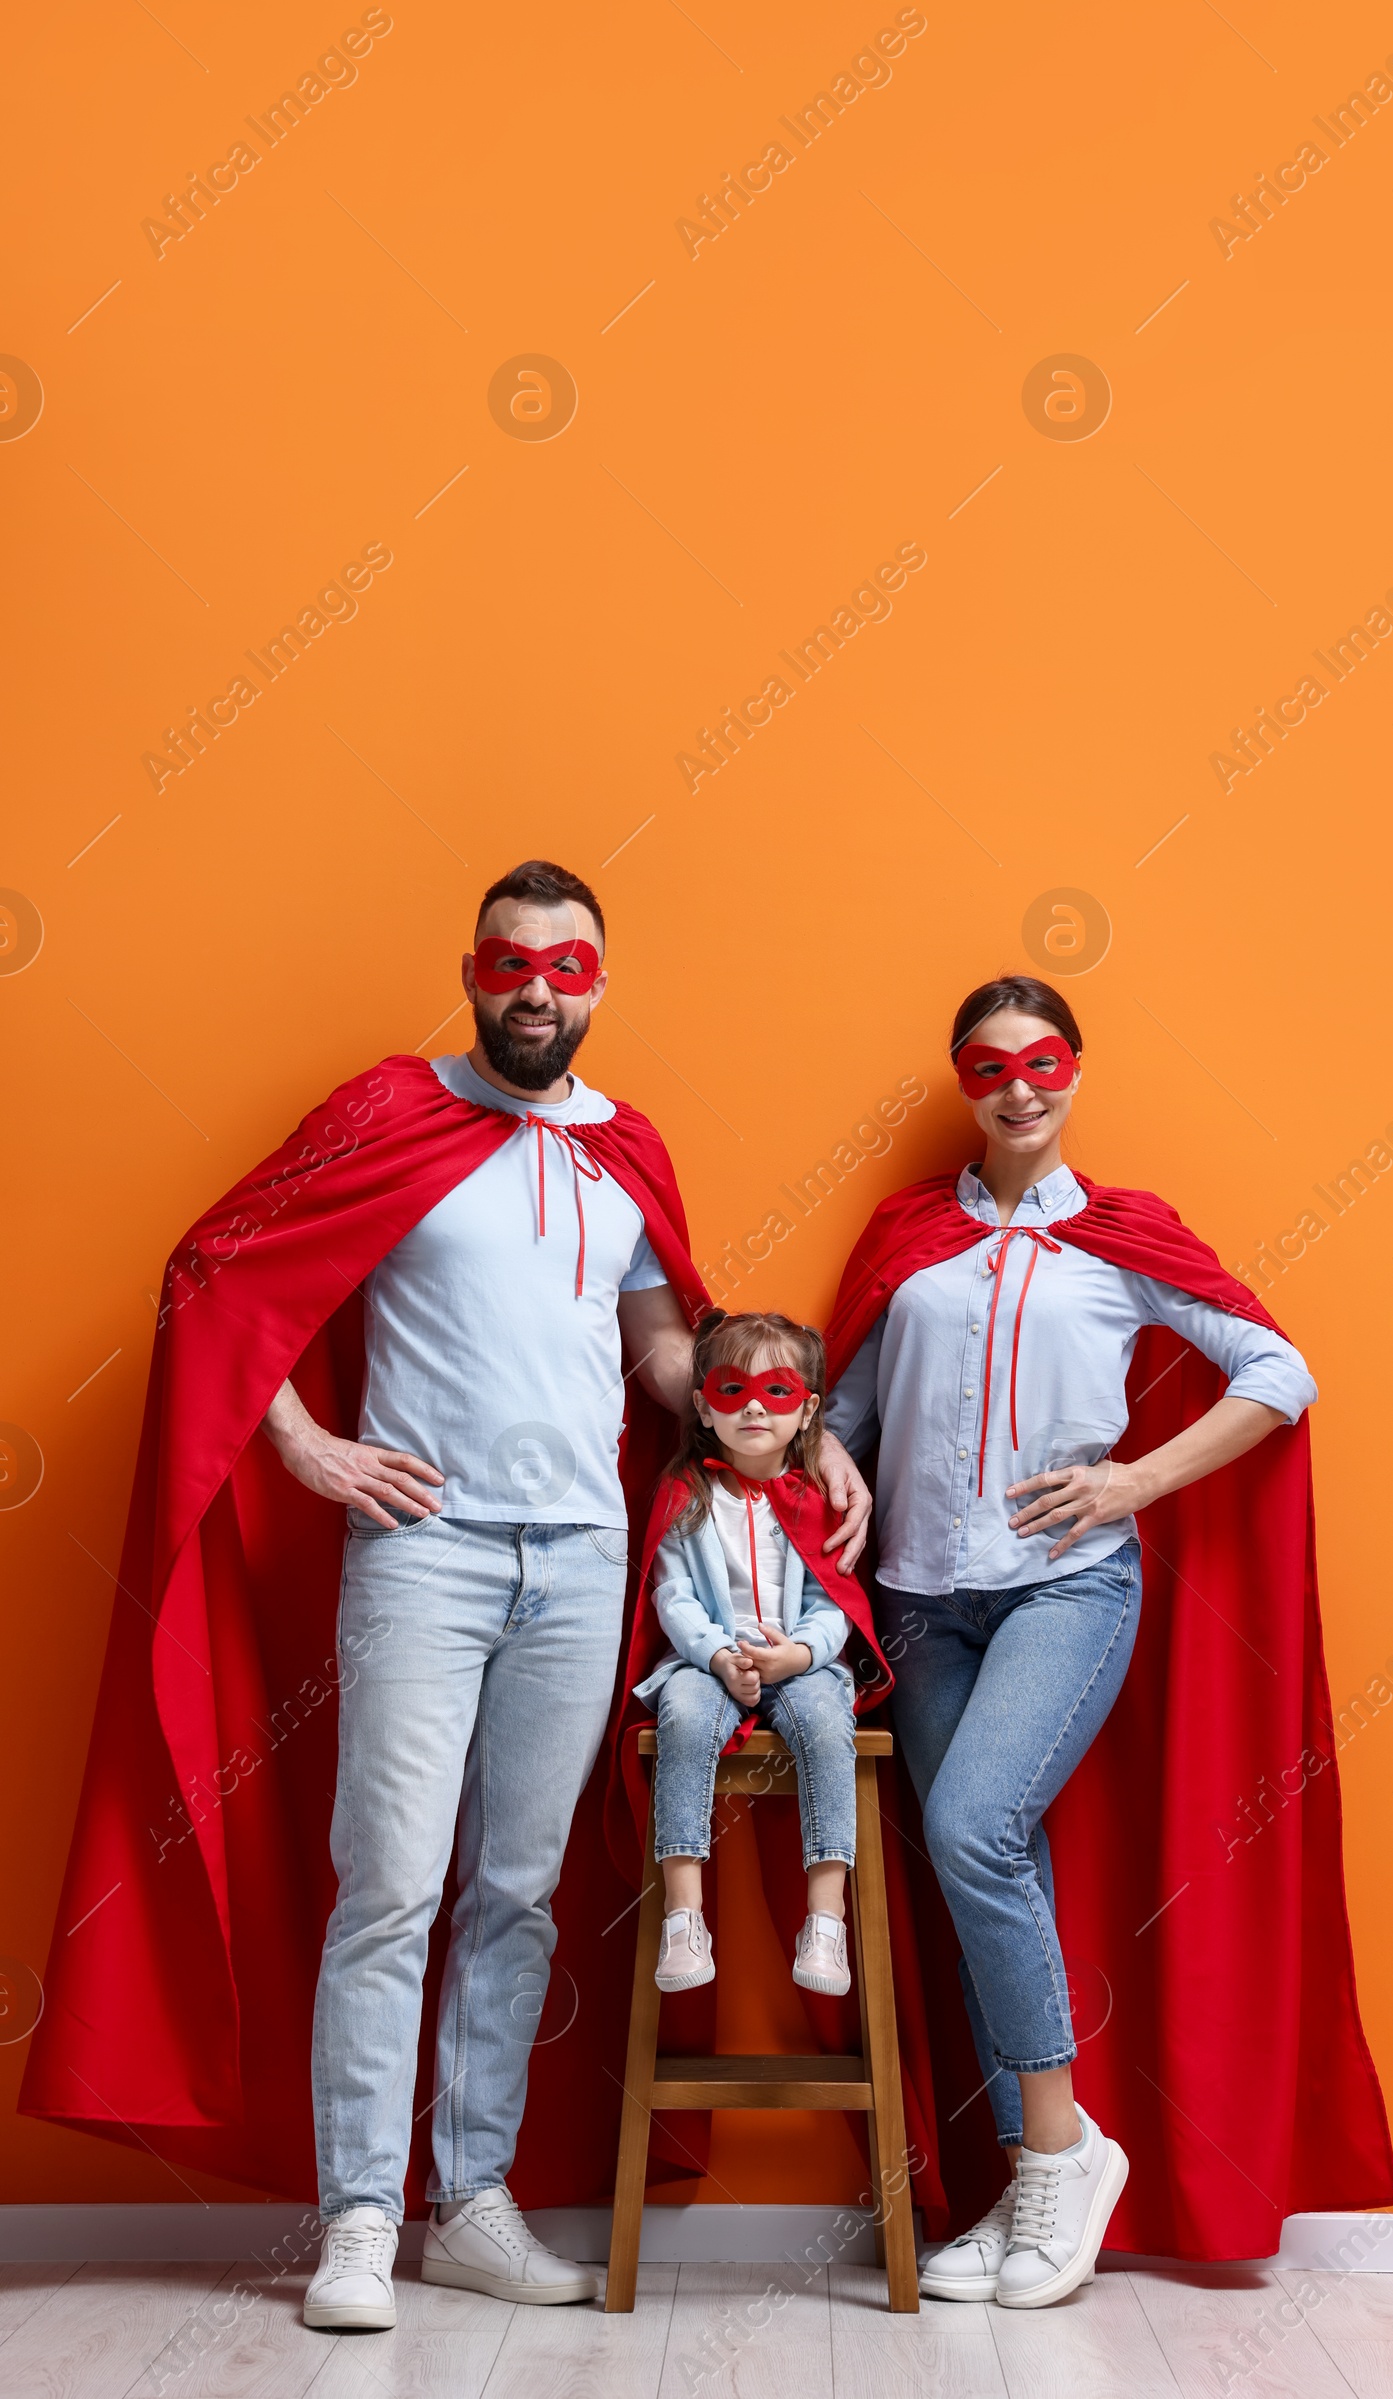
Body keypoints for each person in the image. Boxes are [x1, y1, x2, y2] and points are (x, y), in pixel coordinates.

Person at [20, 859, 870, 2331]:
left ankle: (467, 2202)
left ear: (600, 982)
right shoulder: (387, 1111)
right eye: (511, 962)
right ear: (472, 969)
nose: (538, 989)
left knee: (518, 1890)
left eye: (569, 968)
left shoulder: (626, 1148)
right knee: (391, 1883)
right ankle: (360, 2215)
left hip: (583, 1554)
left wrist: (792, 1426)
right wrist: (306, 1444)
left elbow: (667, 1347)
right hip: (426, 1553)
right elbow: (218, 1272)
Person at [824, 976, 1321, 2309]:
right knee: (995, 1867)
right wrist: (829, 1454)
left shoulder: (1122, 1235)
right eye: (990, 1065)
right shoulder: (910, 1234)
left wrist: (1132, 1482)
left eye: (1042, 1061)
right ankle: (1020, 2177)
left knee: (974, 1829)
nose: (1019, 1086)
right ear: (964, 1079)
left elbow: (1280, 1370)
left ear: (1077, 1070)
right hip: (923, 1599)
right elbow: (845, 1402)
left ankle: (1066, 2149)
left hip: (1064, 1587)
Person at [633, 1312, 865, 2001]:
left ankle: (826, 1917)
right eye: (734, 1389)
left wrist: (800, 1654)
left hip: (800, 1663)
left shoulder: (819, 1498)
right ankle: (684, 1915)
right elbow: (671, 1595)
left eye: (779, 1390)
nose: (757, 1406)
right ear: (704, 1405)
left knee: (828, 1720)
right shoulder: (685, 1496)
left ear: (808, 1410)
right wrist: (714, 1654)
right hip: (708, 1663)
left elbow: (836, 1604)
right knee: (680, 1713)